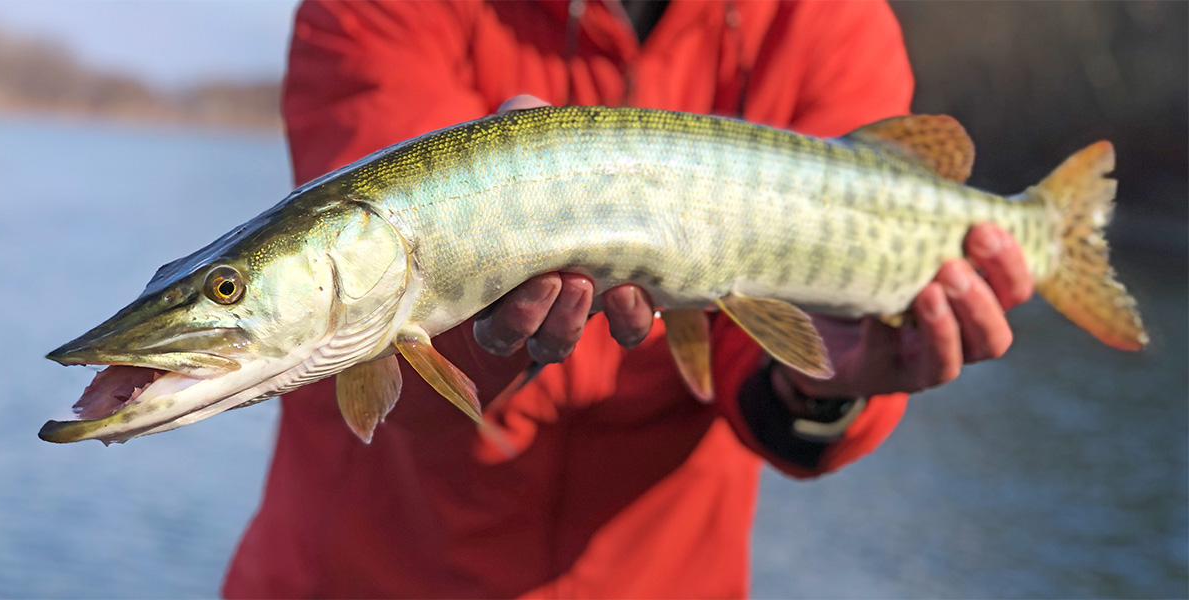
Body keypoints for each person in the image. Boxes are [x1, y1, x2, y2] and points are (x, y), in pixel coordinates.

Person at [223, 1, 1033, 597]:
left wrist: (826, 382)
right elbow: (373, 312)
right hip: (363, 573)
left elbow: (755, 350)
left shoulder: (825, 21)